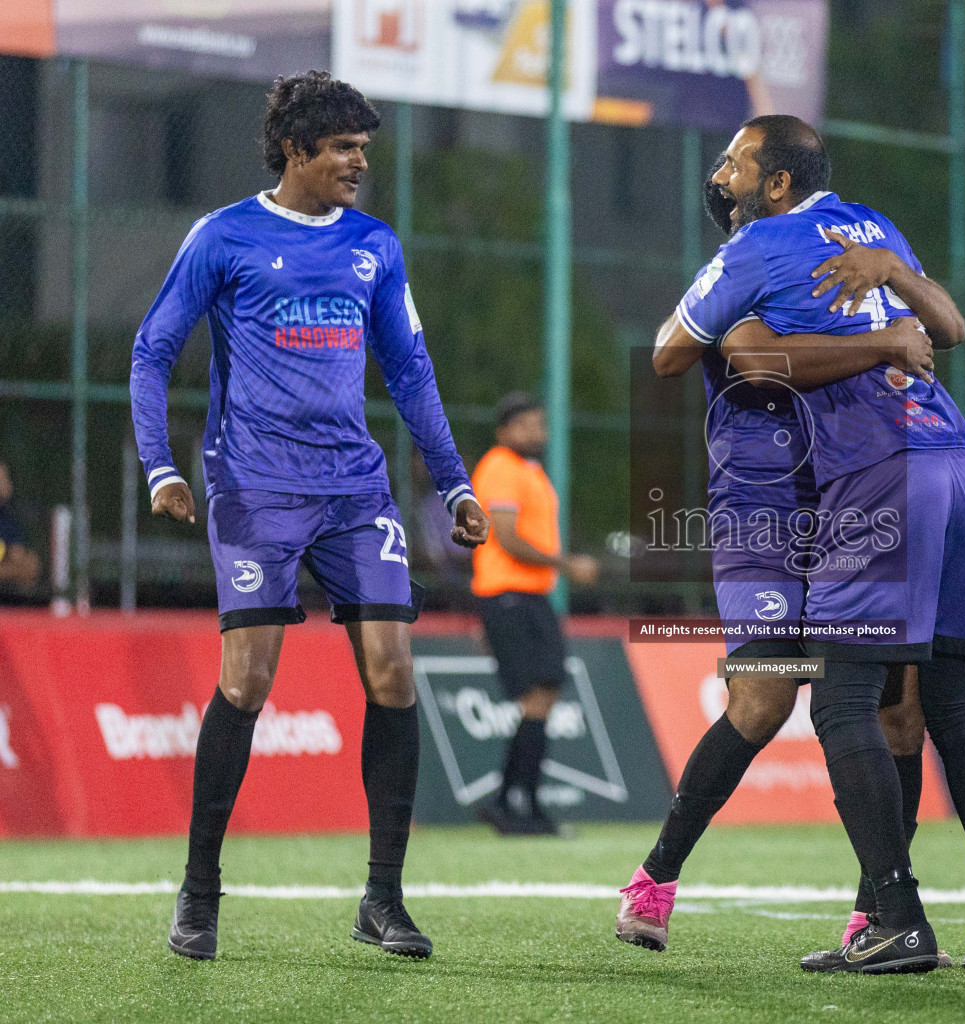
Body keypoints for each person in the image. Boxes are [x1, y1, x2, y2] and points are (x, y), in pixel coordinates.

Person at [652, 115, 965, 973]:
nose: (726, 179)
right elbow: (949, 329)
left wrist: (742, 315)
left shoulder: (758, 247)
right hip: (960, 465)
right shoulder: (875, 228)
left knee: (840, 702)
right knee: (953, 707)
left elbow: (673, 353)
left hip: (880, 470)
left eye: (740, 165)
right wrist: (892, 300)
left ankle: (895, 917)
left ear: (776, 182)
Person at [130, 71, 489, 962]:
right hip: (254, 484)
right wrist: (160, 468)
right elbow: (152, 351)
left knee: (394, 671)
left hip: (354, 489)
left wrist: (455, 484)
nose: (358, 165)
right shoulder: (224, 237)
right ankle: (199, 895)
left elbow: (410, 371)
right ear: (296, 152)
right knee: (247, 681)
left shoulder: (375, 246)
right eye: (343, 150)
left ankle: (382, 898)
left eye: (364, 151)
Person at [615, 156, 940, 957]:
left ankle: (878, 911)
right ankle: (656, 880)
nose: (726, 183)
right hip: (760, 515)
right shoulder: (737, 283)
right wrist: (884, 341)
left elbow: (920, 328)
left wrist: (891, 320)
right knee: (762, 700)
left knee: (898, 712)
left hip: (855, 498)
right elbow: (749, 358)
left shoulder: (832, 284)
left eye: (737, 168)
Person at [470, 392, 598, 835]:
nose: (535, 433)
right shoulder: (501, 467)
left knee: (544, 695)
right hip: (508, 595)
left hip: (529, 597)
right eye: (525, 425)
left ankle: (513, 802)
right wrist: (567, 565)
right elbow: (505, 538)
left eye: (539, 424)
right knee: (535, 698)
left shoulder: (530, 470)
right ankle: (516, 804)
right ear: (504, 430)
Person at [0, 461, 41, 595]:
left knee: (31, 562)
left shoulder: (7, 519)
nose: (8, 484)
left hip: (7, 590)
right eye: (3, 478)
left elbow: (19, 558)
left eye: (6, 478)